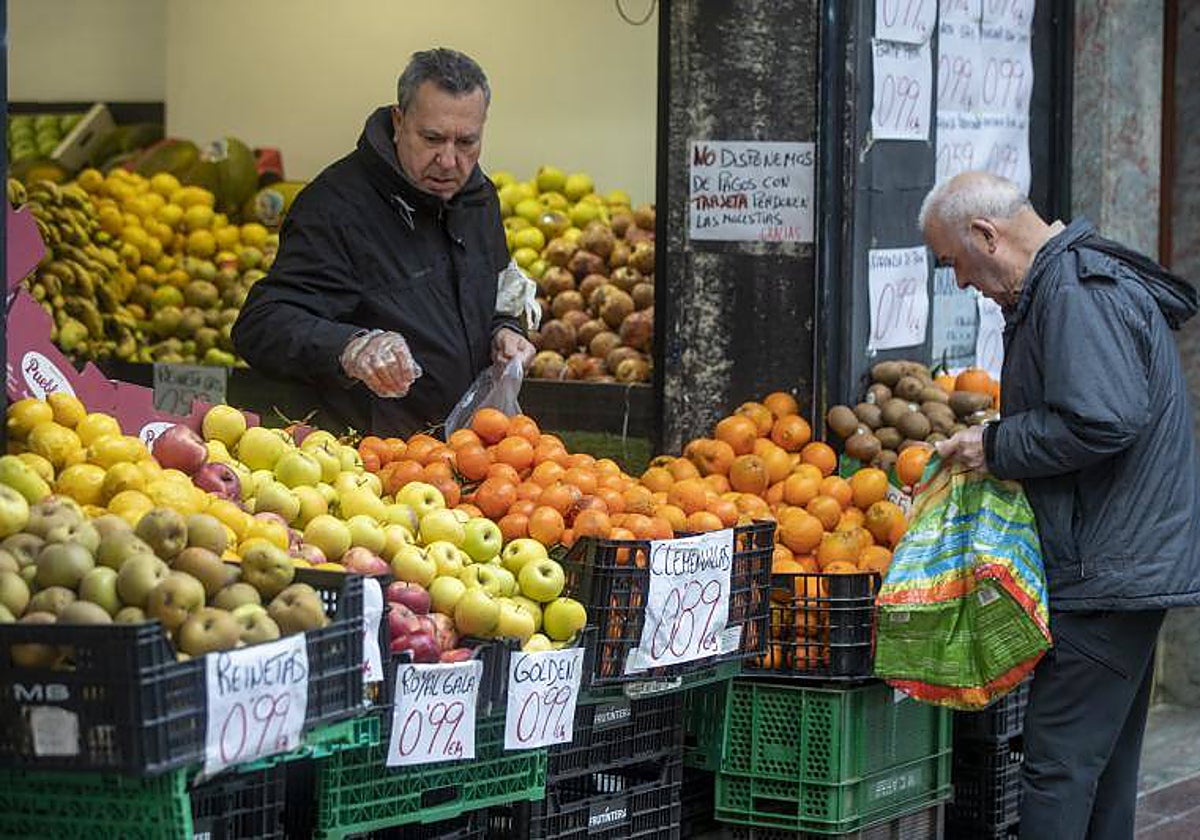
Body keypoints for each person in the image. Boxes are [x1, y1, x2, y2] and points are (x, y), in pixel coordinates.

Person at [919, 171, 1200, 839]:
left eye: (955, 262)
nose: (960, 282)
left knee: (1058, 767)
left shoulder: (1076, 291)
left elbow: (1102, 419)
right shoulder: (1072, 282)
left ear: (987, 235)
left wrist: (998, 445)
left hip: (1106, 568)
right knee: (1099, 768)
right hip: (1120, 561)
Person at [233, 48, 535, 437]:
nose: (448, 160)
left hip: (463, 454)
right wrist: (350, 348)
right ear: (398, 121)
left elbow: (495, 293)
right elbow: (261, 325)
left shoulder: (478, 198)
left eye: (466, 142)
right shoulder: (335, 207)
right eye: (432, 138)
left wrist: (506, 330)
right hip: (369, 463)